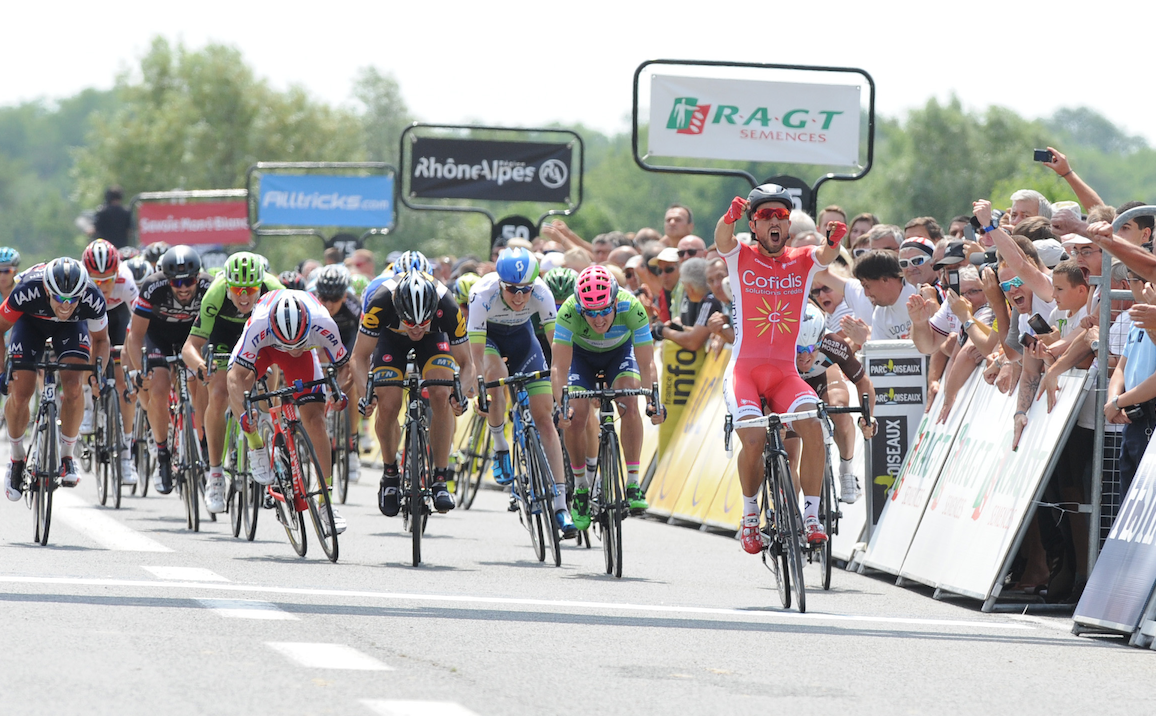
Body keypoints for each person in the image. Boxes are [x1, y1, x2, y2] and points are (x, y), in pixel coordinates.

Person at [713, 183, 843, 553]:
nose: (774, 221)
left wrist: (834, 238)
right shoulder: (739, 255)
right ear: (754, 226)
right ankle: (751, 514)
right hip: (745, 372)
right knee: (753, 440)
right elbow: (722, 239)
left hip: (786, 373)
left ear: (788, 226)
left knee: (813, 428)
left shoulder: (801, 259)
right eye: (764, 216)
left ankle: (813, 516)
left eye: (781, 215)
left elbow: (826, 253)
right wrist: (728, 218)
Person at [468, 248, 575, 537]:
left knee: (545, 421)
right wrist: (479, 389)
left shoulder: (542, 292)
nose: (519, 297)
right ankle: (500, 444)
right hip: (490, 340)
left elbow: (558, 349)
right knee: (495, 376)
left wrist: (564, 392)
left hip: (523, 341)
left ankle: (561, 506)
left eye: (525, 290)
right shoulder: (482, 293)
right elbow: (475, 355)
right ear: (500, 283)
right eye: (512, 289)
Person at [226, 290, 352, 534]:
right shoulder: (259, 325)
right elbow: (234, 378)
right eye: (288, 344)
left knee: (315, 421)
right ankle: (255, 443)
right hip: (266, 349)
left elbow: (344, 367)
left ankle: (326, 503)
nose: (292, 348)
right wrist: (244, 412)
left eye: (298, 341)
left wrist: (340, 393)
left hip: (304, 358)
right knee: (245, 384)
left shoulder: (323, 322)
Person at [353, 271, 475, 517]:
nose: (417, 329)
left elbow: (468, 364)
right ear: (398, 309)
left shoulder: (447, 306)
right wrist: (366, 395)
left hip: (434, 341)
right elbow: (359, 357)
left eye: (422, 322)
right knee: (388, 403)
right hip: (391, 340)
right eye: (410, 322)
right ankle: (390, 474)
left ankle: (440, 478)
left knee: (441, 393)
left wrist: (458, 394)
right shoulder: (380, 302)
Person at [552, 265, 664, 529]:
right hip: (582, 359)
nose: (599, 320)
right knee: (576, 414)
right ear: (581, 307)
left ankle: (633, 483)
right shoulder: (568, 311)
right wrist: (561, 405)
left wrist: (653, 401)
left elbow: (647, 363)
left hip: (618, 354)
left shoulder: (631, 306)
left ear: (615, 301)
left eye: (604, 310)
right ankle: (580, 488)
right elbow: (559, 367)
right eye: (591, 313)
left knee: (629, 401)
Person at [181, 252, 283, 513]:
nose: (244, 296)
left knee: (270, 378)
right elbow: (190, 347)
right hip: (224, 335)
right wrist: (200, 366)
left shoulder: (275, 290)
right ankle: (215, 474)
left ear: (261, 283)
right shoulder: (215, 294)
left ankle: (269, 432)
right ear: (228, 285)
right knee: (218, 393)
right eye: (237, 289)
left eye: (250, 289)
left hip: (259, 331)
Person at [1, 259, 111, 498]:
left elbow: (101, 340)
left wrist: (97, 375)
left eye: (73, 299)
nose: (66, 305)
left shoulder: (92, 297)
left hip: (71, 328)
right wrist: (2, 371)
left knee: (73, 387)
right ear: (48, 290)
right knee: (21, 393)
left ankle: (67, 455)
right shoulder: (26, 290)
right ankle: (17, 458)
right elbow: (0, 328)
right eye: (60, 298)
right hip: (30, 325)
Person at [125, 246, 213, 494]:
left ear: (199, 277)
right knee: (159, 389)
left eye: (189, 281)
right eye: (176, 282)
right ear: (167, 279)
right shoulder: (153, 287)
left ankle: (204, 445)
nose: (183, 288)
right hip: (158, 338)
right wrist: (141, 370)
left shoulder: (209, 286)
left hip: (192, 338)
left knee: (201, 386)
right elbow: (135, 336)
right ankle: (163, 455)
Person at [793, 304, 877, 503]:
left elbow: (863, 382)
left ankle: (847, 470)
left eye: (812, 348)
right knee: (788, 453)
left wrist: (869, 417)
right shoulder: (777, 344)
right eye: (798, 350)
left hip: (822, 376)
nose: (805, 356)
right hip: (789, 381)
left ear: (822, 339)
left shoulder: (834, 344)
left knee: (839, 411)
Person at [81, 239, 139, 485]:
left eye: (108, 279)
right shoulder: (79, 279)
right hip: (88, 319)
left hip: (117, 320)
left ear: (118, 272)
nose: (103, 286)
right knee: (85, 353)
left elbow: (139, 320)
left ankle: (126, 455)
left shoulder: (125, 280)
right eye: (97, 280)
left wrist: (131, 350)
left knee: (123, 384)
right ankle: (87, 405)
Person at [655, 258, 721, 351]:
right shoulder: (710, 298)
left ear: (690, 287)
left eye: (684, 286)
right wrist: (681, 328)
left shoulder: (710, 301)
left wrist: (663, 331)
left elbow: (693, 342)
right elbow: (702, 333)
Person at [851, 251, 918, 342]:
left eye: (867, 286)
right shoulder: (880, 313)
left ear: (885, 279)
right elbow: (881, 354)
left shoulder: (919, 294)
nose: (866, 294)